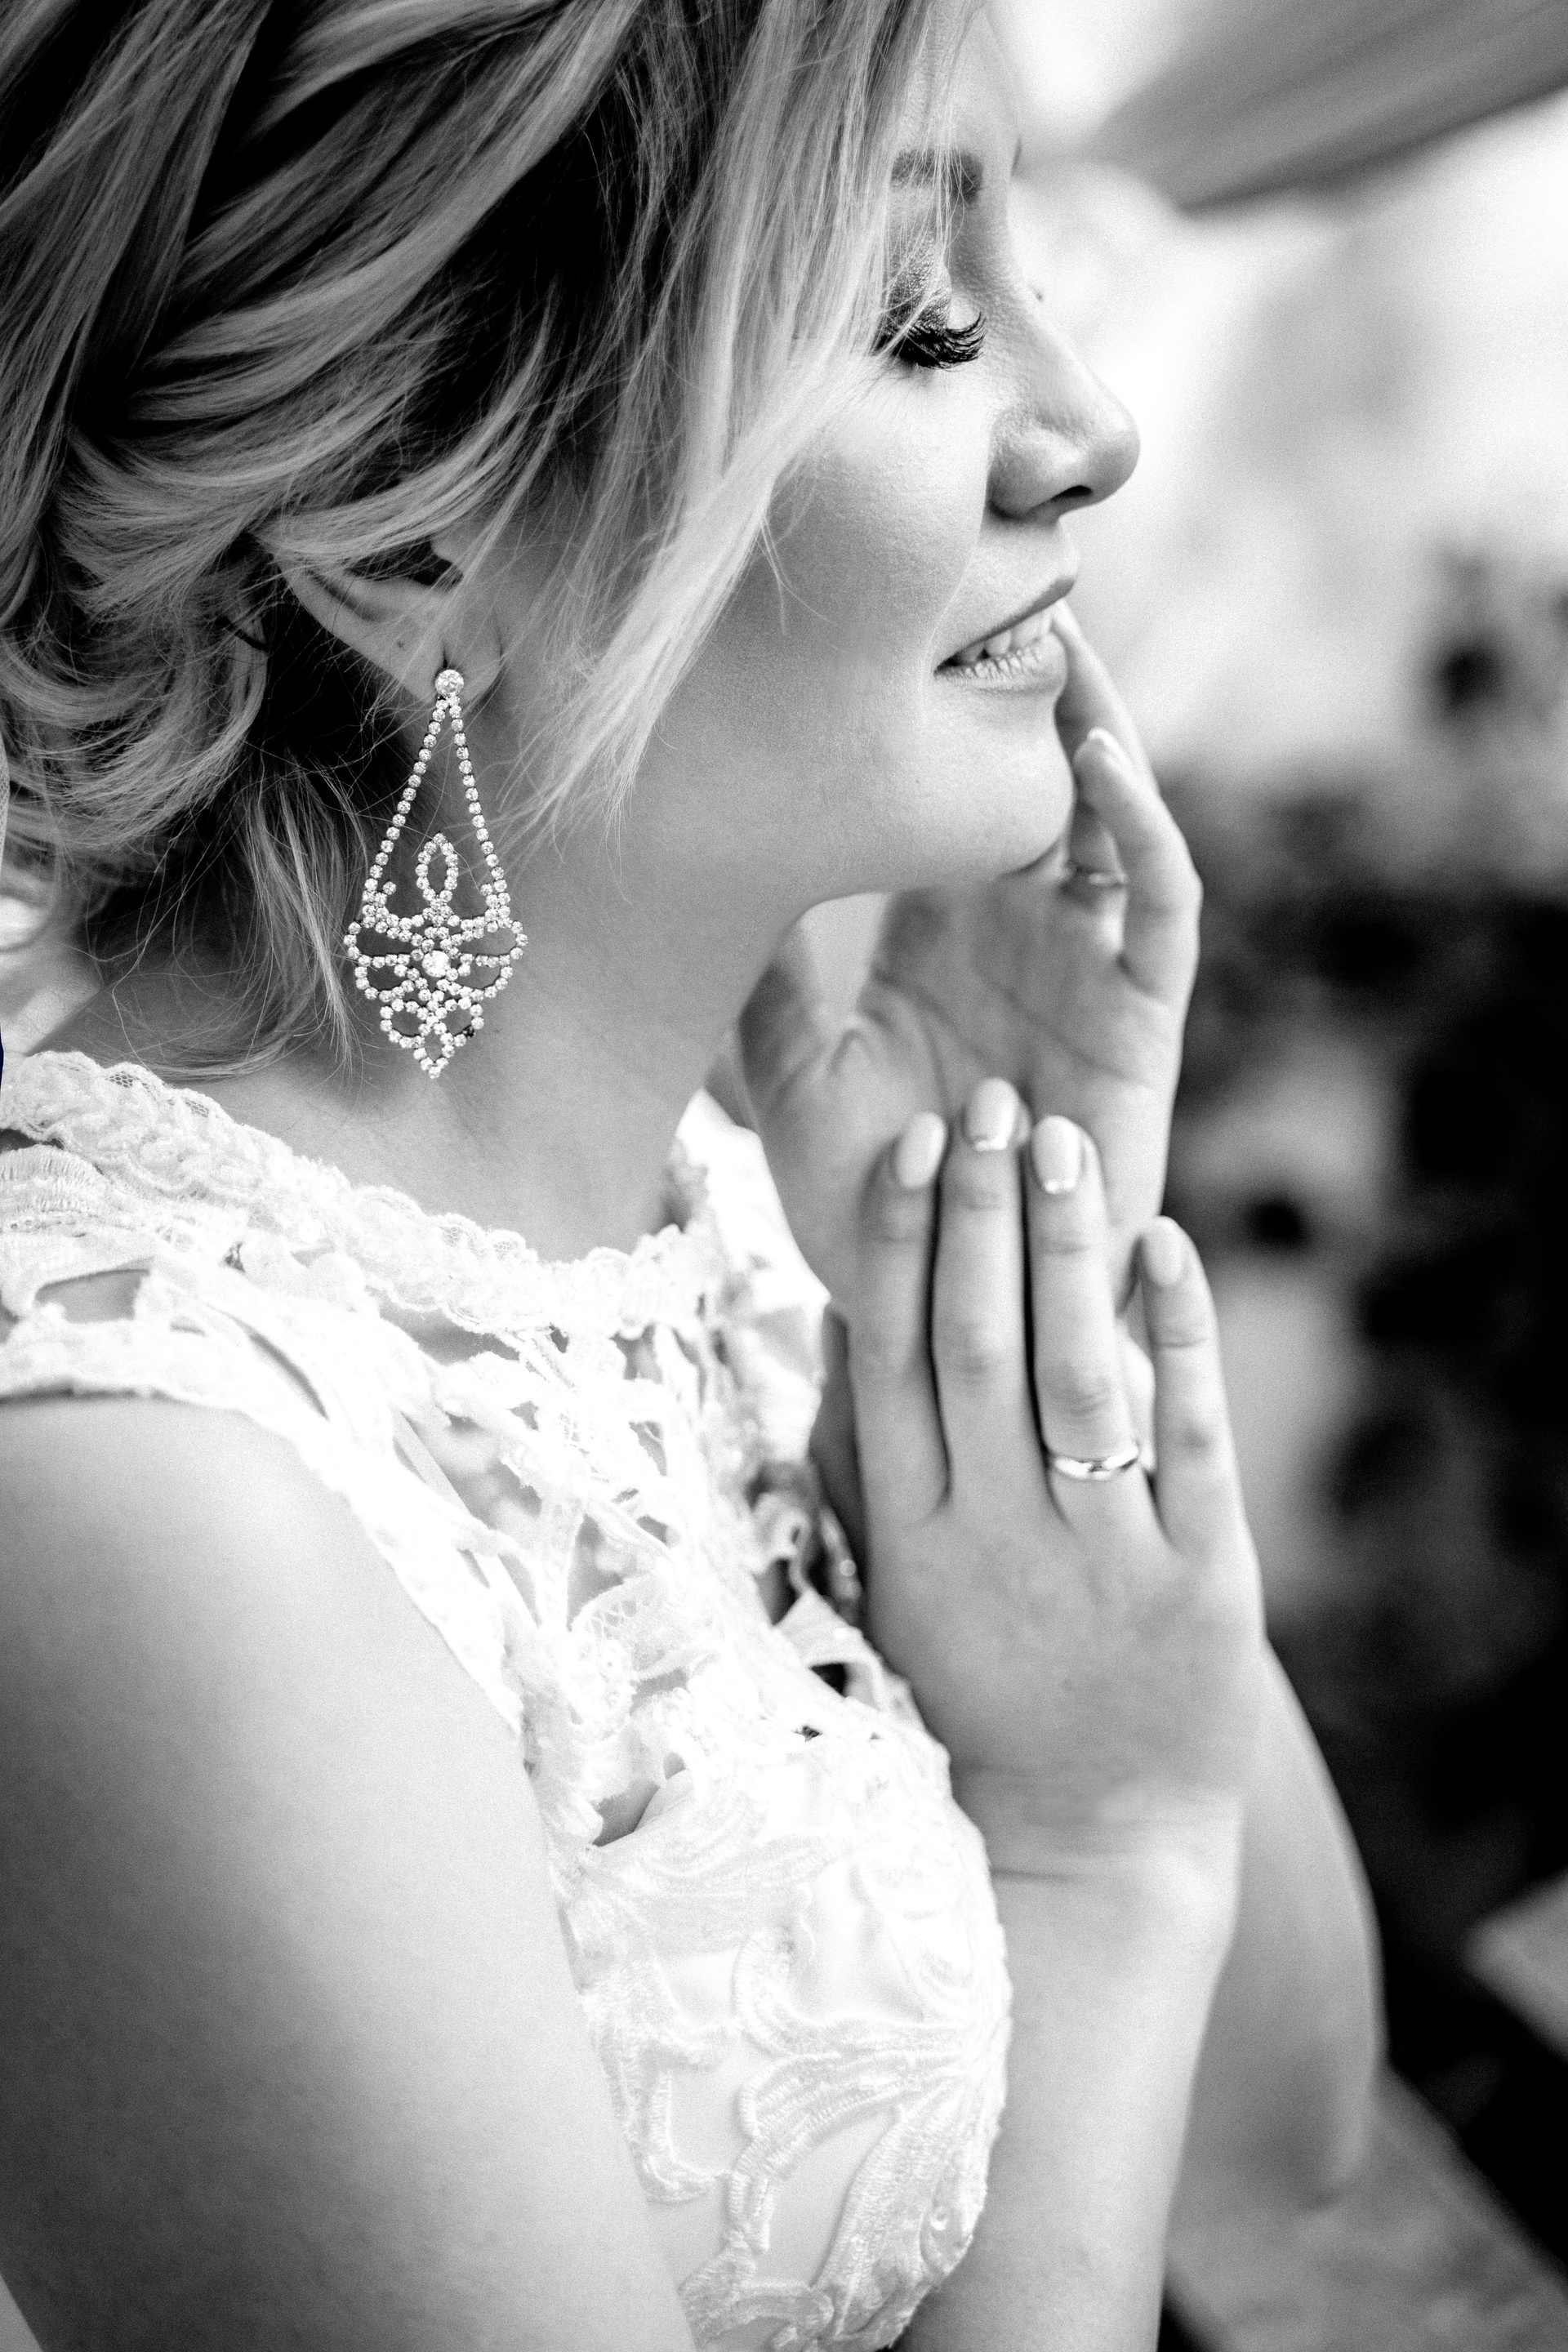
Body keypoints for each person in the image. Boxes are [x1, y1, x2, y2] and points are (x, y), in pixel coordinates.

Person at [0, 2, 1379, 2345]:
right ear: (421, 521)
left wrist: (1005, 1276)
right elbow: (1151, 1931)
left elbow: (1270, 2133)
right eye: (921, 316)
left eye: (1035, 277)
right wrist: (1095, 1845)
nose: (1091, 428)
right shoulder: (142, 1511)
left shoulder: (731, 1233)